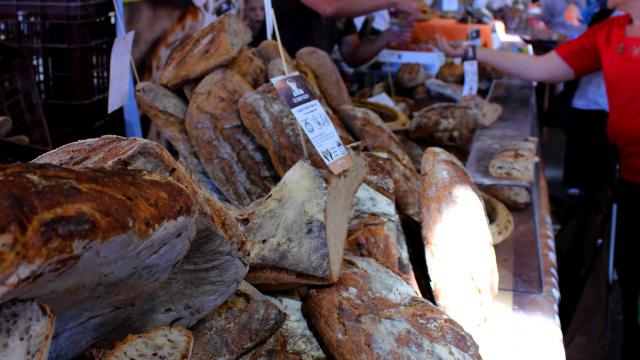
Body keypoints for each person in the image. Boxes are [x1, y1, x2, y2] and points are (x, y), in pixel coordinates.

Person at [437, 1, 640, 357]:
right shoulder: (613, 29)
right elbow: (544, 67)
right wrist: (474, 49)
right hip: (630, 177)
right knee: (631, 277)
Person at [255, 0, 419, 67]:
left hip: (310, 86)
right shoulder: (334, 5)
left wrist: (387, 36)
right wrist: (393, 1)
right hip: (272, 75)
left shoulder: (343, 4)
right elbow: (328, 8)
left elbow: (352, 54)